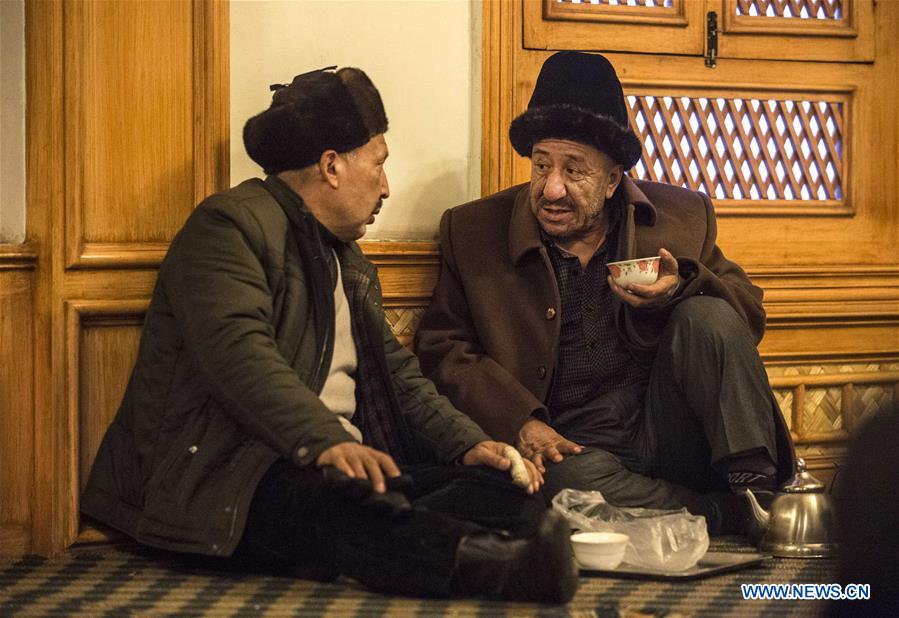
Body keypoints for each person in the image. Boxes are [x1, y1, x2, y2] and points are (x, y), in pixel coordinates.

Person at [80, 66, 577, 603]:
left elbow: (401, 379)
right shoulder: (227, 227)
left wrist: (470, 443)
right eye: (379, 164)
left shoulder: (347, 258)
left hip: (333, 463)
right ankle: (496, 569)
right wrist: (328, 440)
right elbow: (239, 358)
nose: (387, 186)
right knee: (332, 505)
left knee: (494, 485)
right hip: (234, 478)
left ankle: (476, 544)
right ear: (331, 166)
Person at [414, 51, 795, 536]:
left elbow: (748, 314)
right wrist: (520, 422)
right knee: (562, 486)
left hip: (670, 425)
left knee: (708, 313)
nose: (551, 189)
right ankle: (731, 517)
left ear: (614, 179)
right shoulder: (473, 231)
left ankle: (755, 493)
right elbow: (444, 350)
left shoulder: (681, 216)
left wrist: (679, 288)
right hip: (575, 444)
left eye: (574, 170)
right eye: (541, 165)